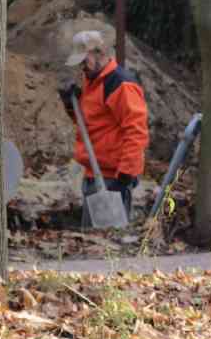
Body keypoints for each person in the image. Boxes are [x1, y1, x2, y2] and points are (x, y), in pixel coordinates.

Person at [62, 28, 149, 215]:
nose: (81, 67)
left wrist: (127, 172)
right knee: (91, 241)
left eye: (84, 61)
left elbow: (136, 130)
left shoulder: (120, 85)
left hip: (113, 178)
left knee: (107, 241)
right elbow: (90, 125)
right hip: (93, 173)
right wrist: (71, 106)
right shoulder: (92, 81)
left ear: (99, 54)